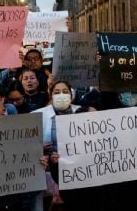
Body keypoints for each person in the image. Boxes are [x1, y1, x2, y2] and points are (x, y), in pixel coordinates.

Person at [33, 81, 98, 211]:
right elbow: (29, 146)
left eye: (65, 92)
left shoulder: (84, 111)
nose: (61, 95)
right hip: (57, 172)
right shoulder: (37, 115)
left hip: (85, 171)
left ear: (71, 94)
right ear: (51, 95)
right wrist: (41, 148)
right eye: (56, 92)